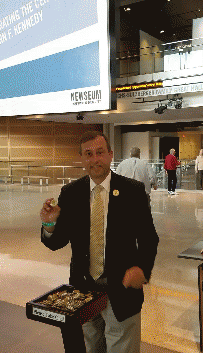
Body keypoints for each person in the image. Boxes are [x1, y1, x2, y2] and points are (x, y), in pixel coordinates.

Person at [39, 131, 159, 353]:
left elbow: (149, 237)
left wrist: (142, 268)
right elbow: (57, 242)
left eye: (100, 152)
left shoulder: (133, 191)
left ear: (111, 154)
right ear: (82, 159)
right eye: (89, 154)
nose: (95, 159)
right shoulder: (71, 193)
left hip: (121, 291)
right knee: (91, 347)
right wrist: (49, 225)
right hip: (84, 292)